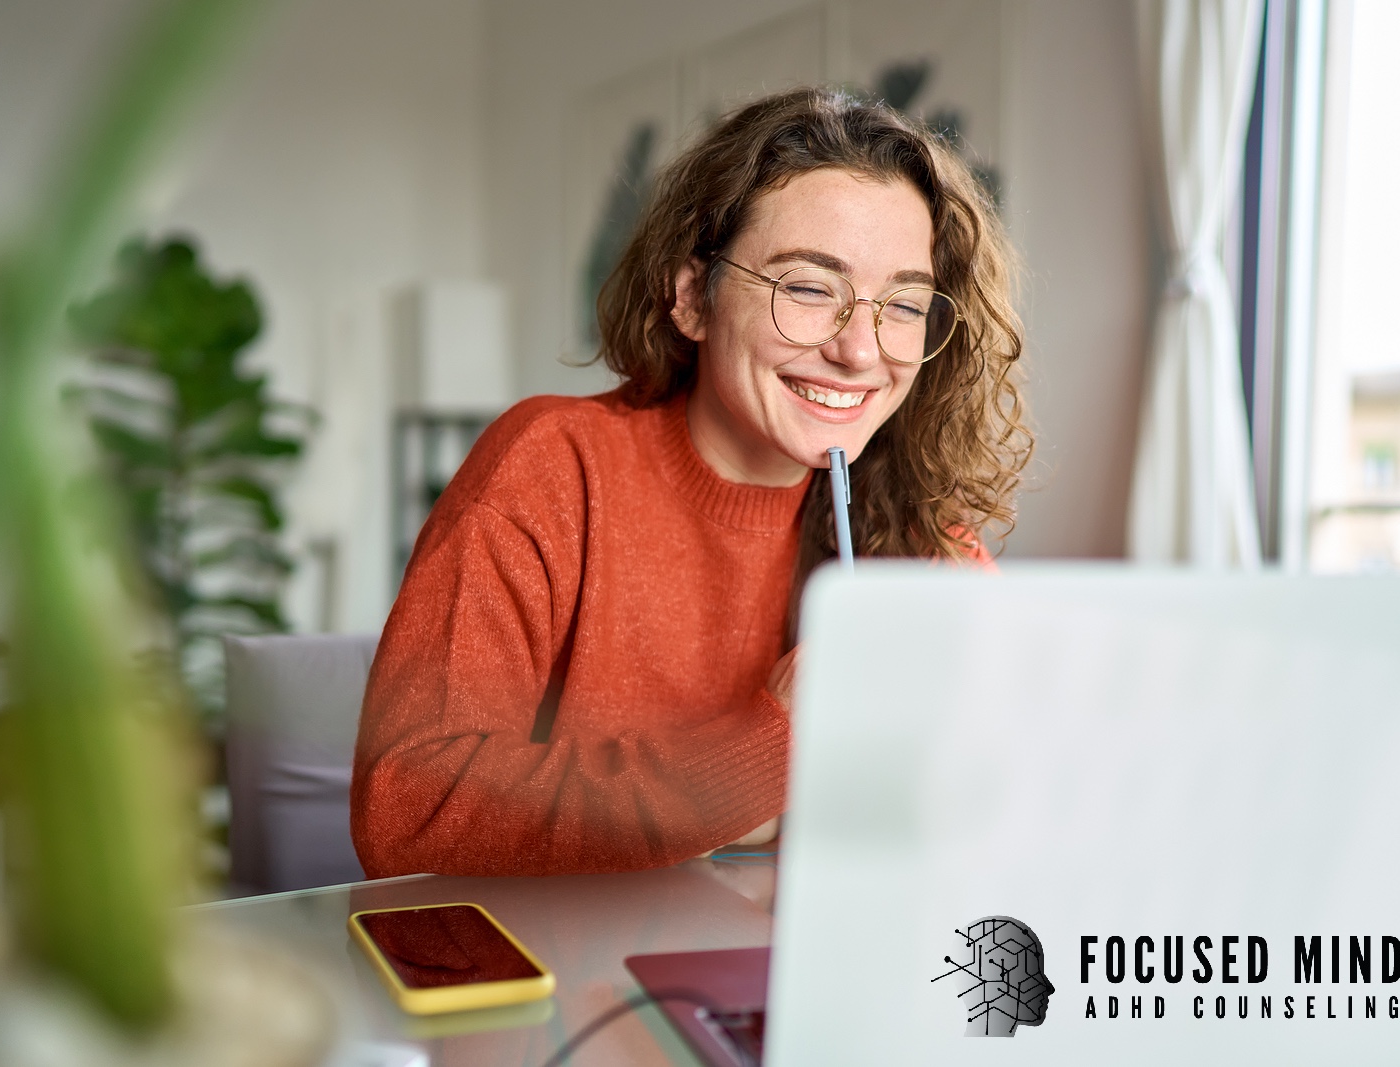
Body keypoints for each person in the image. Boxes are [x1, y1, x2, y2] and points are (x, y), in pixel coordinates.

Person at [351, 86, 1029, 878]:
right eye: (809, 287)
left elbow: (1010, 793)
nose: (859, 350)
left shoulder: (918, 528)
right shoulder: (552, 468)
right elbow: (407, 807)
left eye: (904, 305)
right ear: (690, 298)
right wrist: (764, 754)